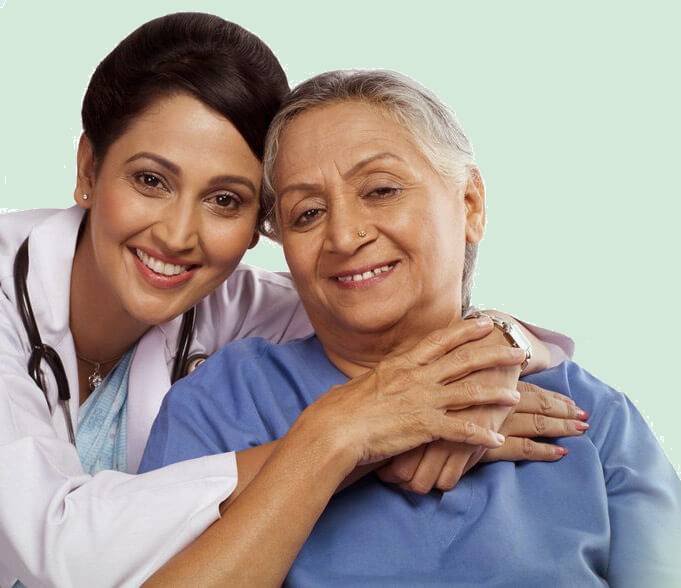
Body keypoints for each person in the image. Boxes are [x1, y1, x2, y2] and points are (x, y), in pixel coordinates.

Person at [0, 13, 580, 587]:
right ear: (88, 170)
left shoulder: (247, 308)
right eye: (151, 180)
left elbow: (397, 310)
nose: (177, 235)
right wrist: (341, 438)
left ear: (261, 223)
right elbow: (61, 553)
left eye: (225, 200)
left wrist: (491, 354)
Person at [141, 69, 681, 586]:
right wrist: (339, 436)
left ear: (470, 204)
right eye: (307, 213)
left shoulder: (591, 416)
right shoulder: (222, 404)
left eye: (381, 190)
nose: (344, 236)